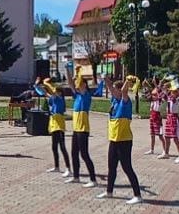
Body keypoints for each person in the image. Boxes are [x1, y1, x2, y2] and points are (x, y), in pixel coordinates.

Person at [97, 75, 143, 204]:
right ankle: (109, 192)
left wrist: (128, 81)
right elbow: (110, 86)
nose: (113, 91)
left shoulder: (125, 101)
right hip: (114, 140)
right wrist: (104, 77)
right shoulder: (114, 101)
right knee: (111, 167)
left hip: (124, 140)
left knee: (127, 167)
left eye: (115, 90)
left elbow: (123, 91)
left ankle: (138, 195)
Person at [64, 70, 99, 186]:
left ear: (84, 85)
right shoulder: (78, 96)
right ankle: (76, 177)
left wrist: (80, 75)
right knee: (74, 153)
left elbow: (80, 84)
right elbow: (70, 84)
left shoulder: (86, 95)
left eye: (79, 83)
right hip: (76, 128)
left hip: (83, 129)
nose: (76, 85)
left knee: (84, 154)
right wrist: (67, 70)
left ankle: (93, 179)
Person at [36, 77, 70, 176]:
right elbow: (43, 93)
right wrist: (37, 85)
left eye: (56, 92)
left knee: (62, 147)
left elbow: (51, 91)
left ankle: (68, 168)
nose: (54, 93)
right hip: (53, 122)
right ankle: (56, 166)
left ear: (60, 93)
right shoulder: (53, 98)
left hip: (59, 122)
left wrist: (46, 83)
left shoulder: (60, 99)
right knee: (54, 146)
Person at [145, 80, 164, 157]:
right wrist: (146, 86)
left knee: (160, 134)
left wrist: (155, 84)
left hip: (157, 117)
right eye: (153, 95)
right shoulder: (153, 100)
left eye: (154, 95)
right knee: (152, 134)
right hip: (152, 116)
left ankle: (164, 151)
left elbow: (159, 92)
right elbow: (147, 96)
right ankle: (152, 149)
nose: (153, 96)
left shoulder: (160, 98)